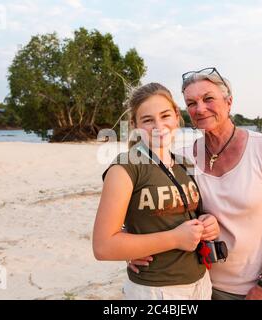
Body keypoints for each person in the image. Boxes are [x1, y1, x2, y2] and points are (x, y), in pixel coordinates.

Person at [129, 68, 262, 300]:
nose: (200, 108)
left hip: (250, 289)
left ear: (229, 102)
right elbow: (148, 210)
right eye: (191, 103)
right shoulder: (181, 157)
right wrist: (130, 249)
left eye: (208, 98)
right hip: (196, 285)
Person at [92, 82, 220, 300]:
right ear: (135, 125)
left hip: (201, 283)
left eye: (165, 116)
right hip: (156, 291)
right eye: (148, 120)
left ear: (176, 116)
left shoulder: (183, 163)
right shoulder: (126, 167)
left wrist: (209, 223)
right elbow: (103, 247)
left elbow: (184, 215)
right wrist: (174, 239)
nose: (159, 126)